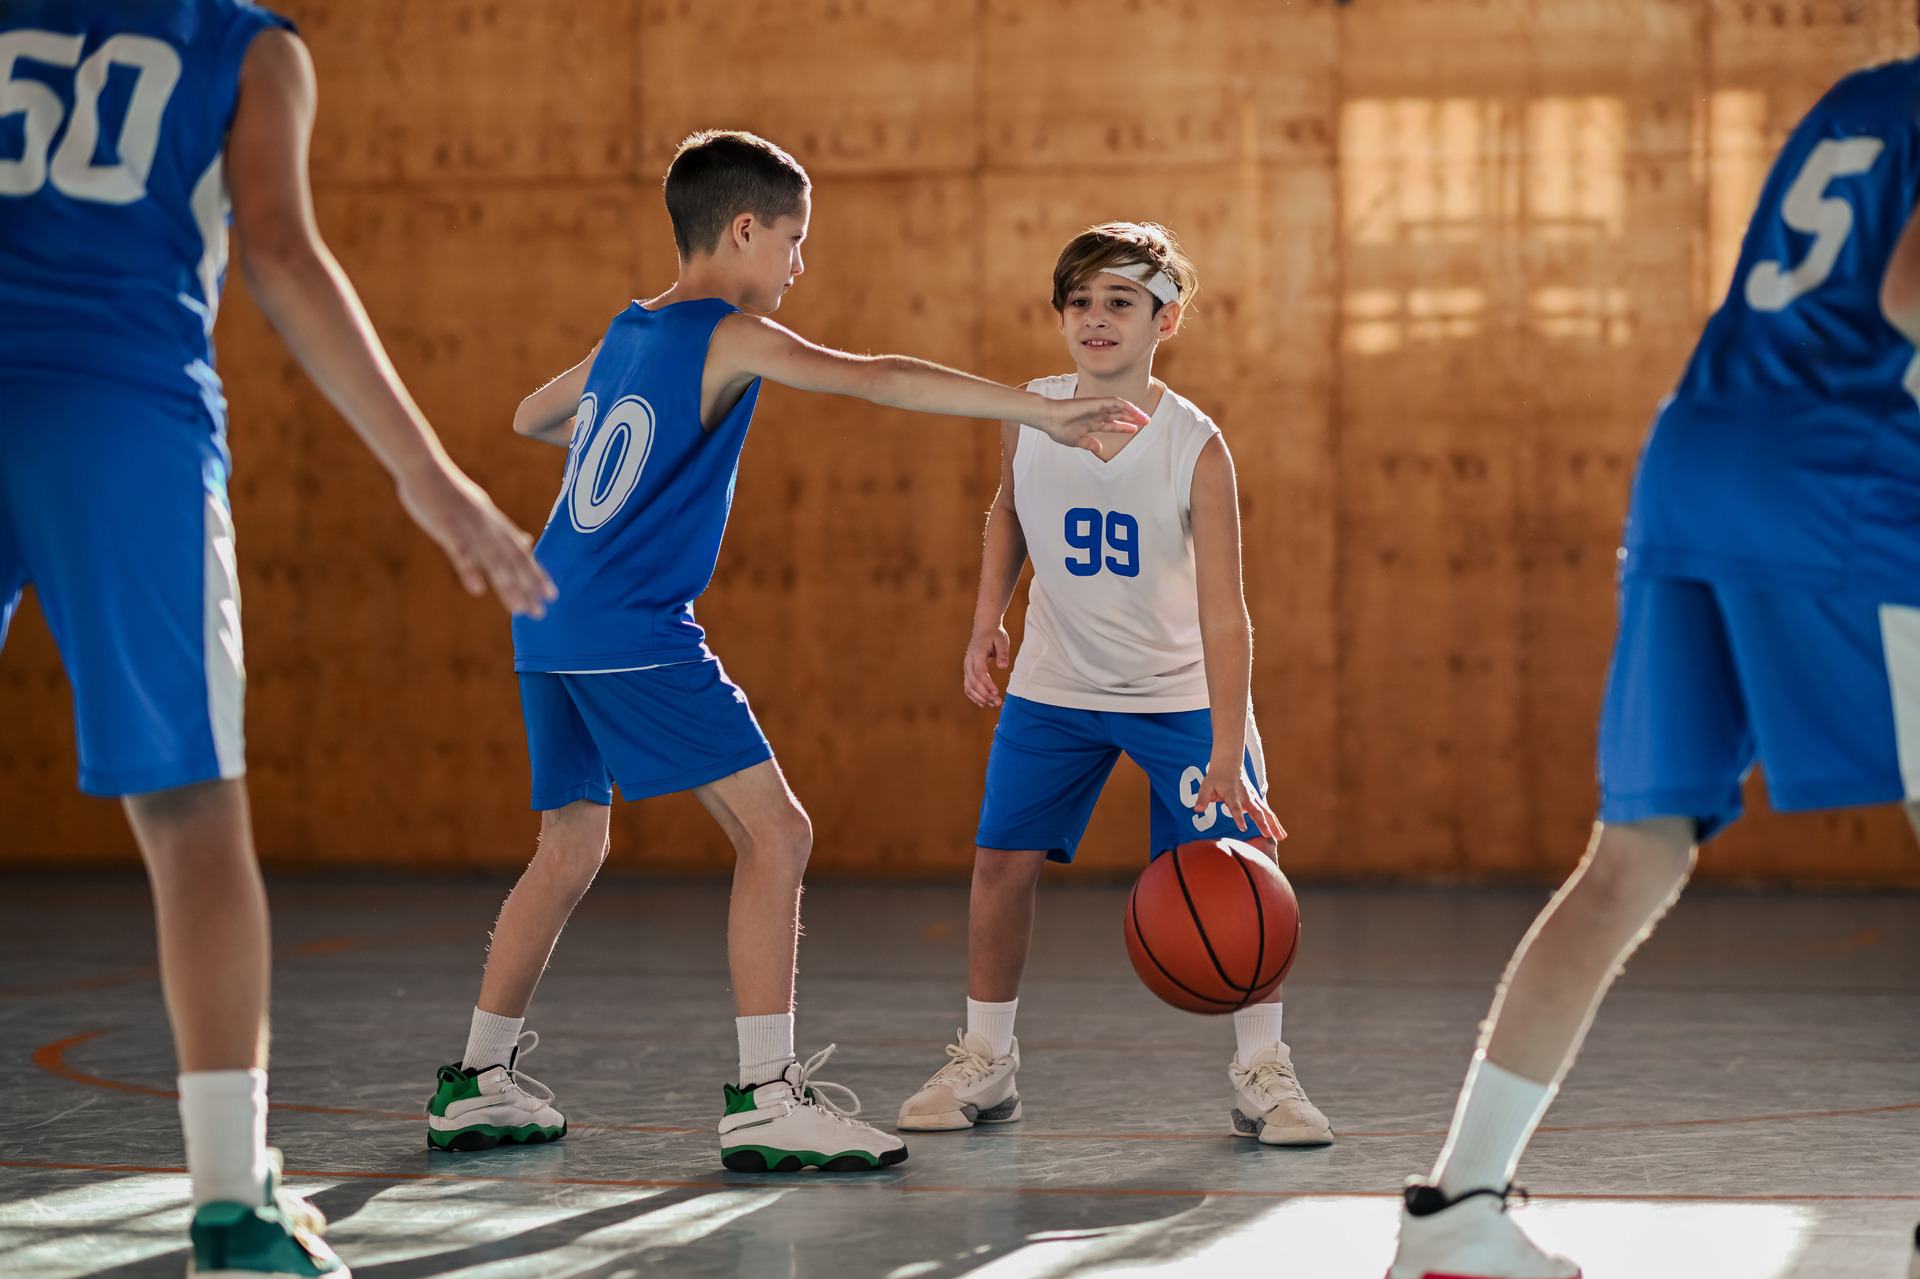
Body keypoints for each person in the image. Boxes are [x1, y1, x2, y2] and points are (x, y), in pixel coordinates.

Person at [423, 130, 1149, 1174]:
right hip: (629, 623)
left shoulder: (634, 328)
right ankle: (766, 1096)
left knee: (570, 846)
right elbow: (880, 379)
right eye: (795, 241)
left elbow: (534, 415)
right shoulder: (725, 332)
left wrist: (632, 419)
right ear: (747, 228)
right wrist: (1044, 412)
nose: (800, 266)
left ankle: (476, 1080)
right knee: (778, 834)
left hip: (547, 608)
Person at [0, 3, 555, 1276]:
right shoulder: (246, 46)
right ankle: (229, 1203)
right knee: (191, 815)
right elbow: (285, 256)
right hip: (121, 419)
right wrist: (427, 473)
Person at [1387, 27, 1920, 1279]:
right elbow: (1908, 296)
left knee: (1632, 856)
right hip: (1834, 480)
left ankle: (1456, 1215)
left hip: (1695, 465)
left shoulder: (1863, 94)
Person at [892, 222, 1332, 1149]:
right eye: (1080, 301)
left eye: (1119, 301)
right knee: (997, 865)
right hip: (1057, 684)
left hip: (1178, 693)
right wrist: (987, 617)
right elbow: (1007, 507)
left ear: (1164, 321)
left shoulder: (1195, 447)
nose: (1095, 318)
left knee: (1244, 868)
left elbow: (1225, 614)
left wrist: (1226, 748)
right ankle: (988, 1059)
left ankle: (1264, 1072)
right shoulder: (1034, 409)